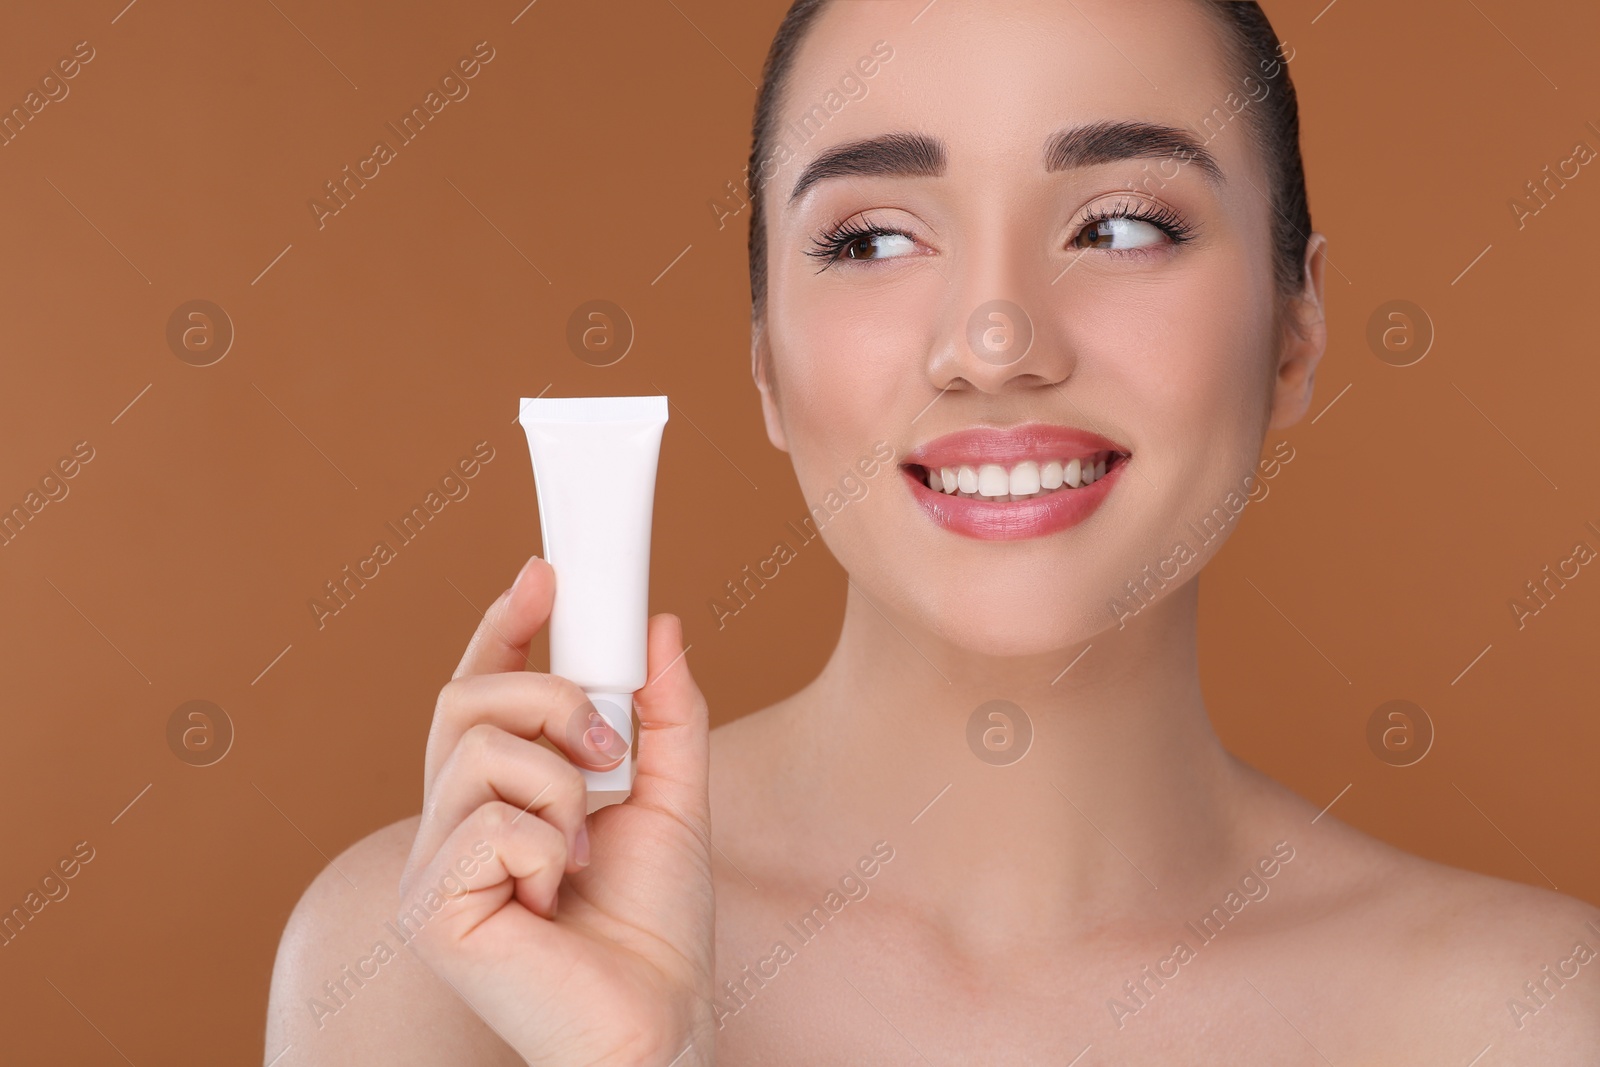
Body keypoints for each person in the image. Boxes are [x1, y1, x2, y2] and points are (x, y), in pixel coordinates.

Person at [266, 0, 1600, 1062]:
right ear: (765, 363)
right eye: (876, 239)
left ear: (1296, 327)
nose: (997, 339)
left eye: (1124, 223)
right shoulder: (430, 966)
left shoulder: (1532, 1022)